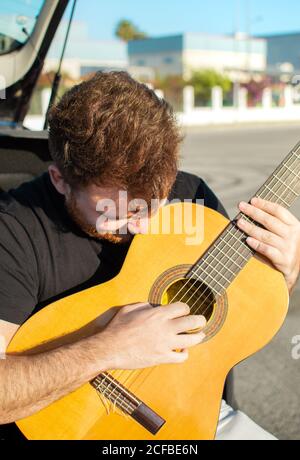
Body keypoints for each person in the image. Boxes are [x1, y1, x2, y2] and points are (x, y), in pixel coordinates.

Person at [0, 72, 299, 441]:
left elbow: (242, 310)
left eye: (152, 206)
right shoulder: (14, 229)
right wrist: (109, 348)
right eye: (118, 212)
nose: (141, 227)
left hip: (189, 415)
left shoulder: (191, 195)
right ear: (60, 180)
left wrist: (284, 272)